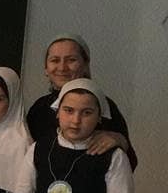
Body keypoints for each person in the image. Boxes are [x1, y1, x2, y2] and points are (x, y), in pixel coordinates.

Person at [25, 34, 137, 169]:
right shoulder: (39, 109)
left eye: (71, 60)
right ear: (46, 69)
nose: (62, 67)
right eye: (55, 60)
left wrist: (120, 141)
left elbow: (130, 163)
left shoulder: (103, 106)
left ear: (85, 65)